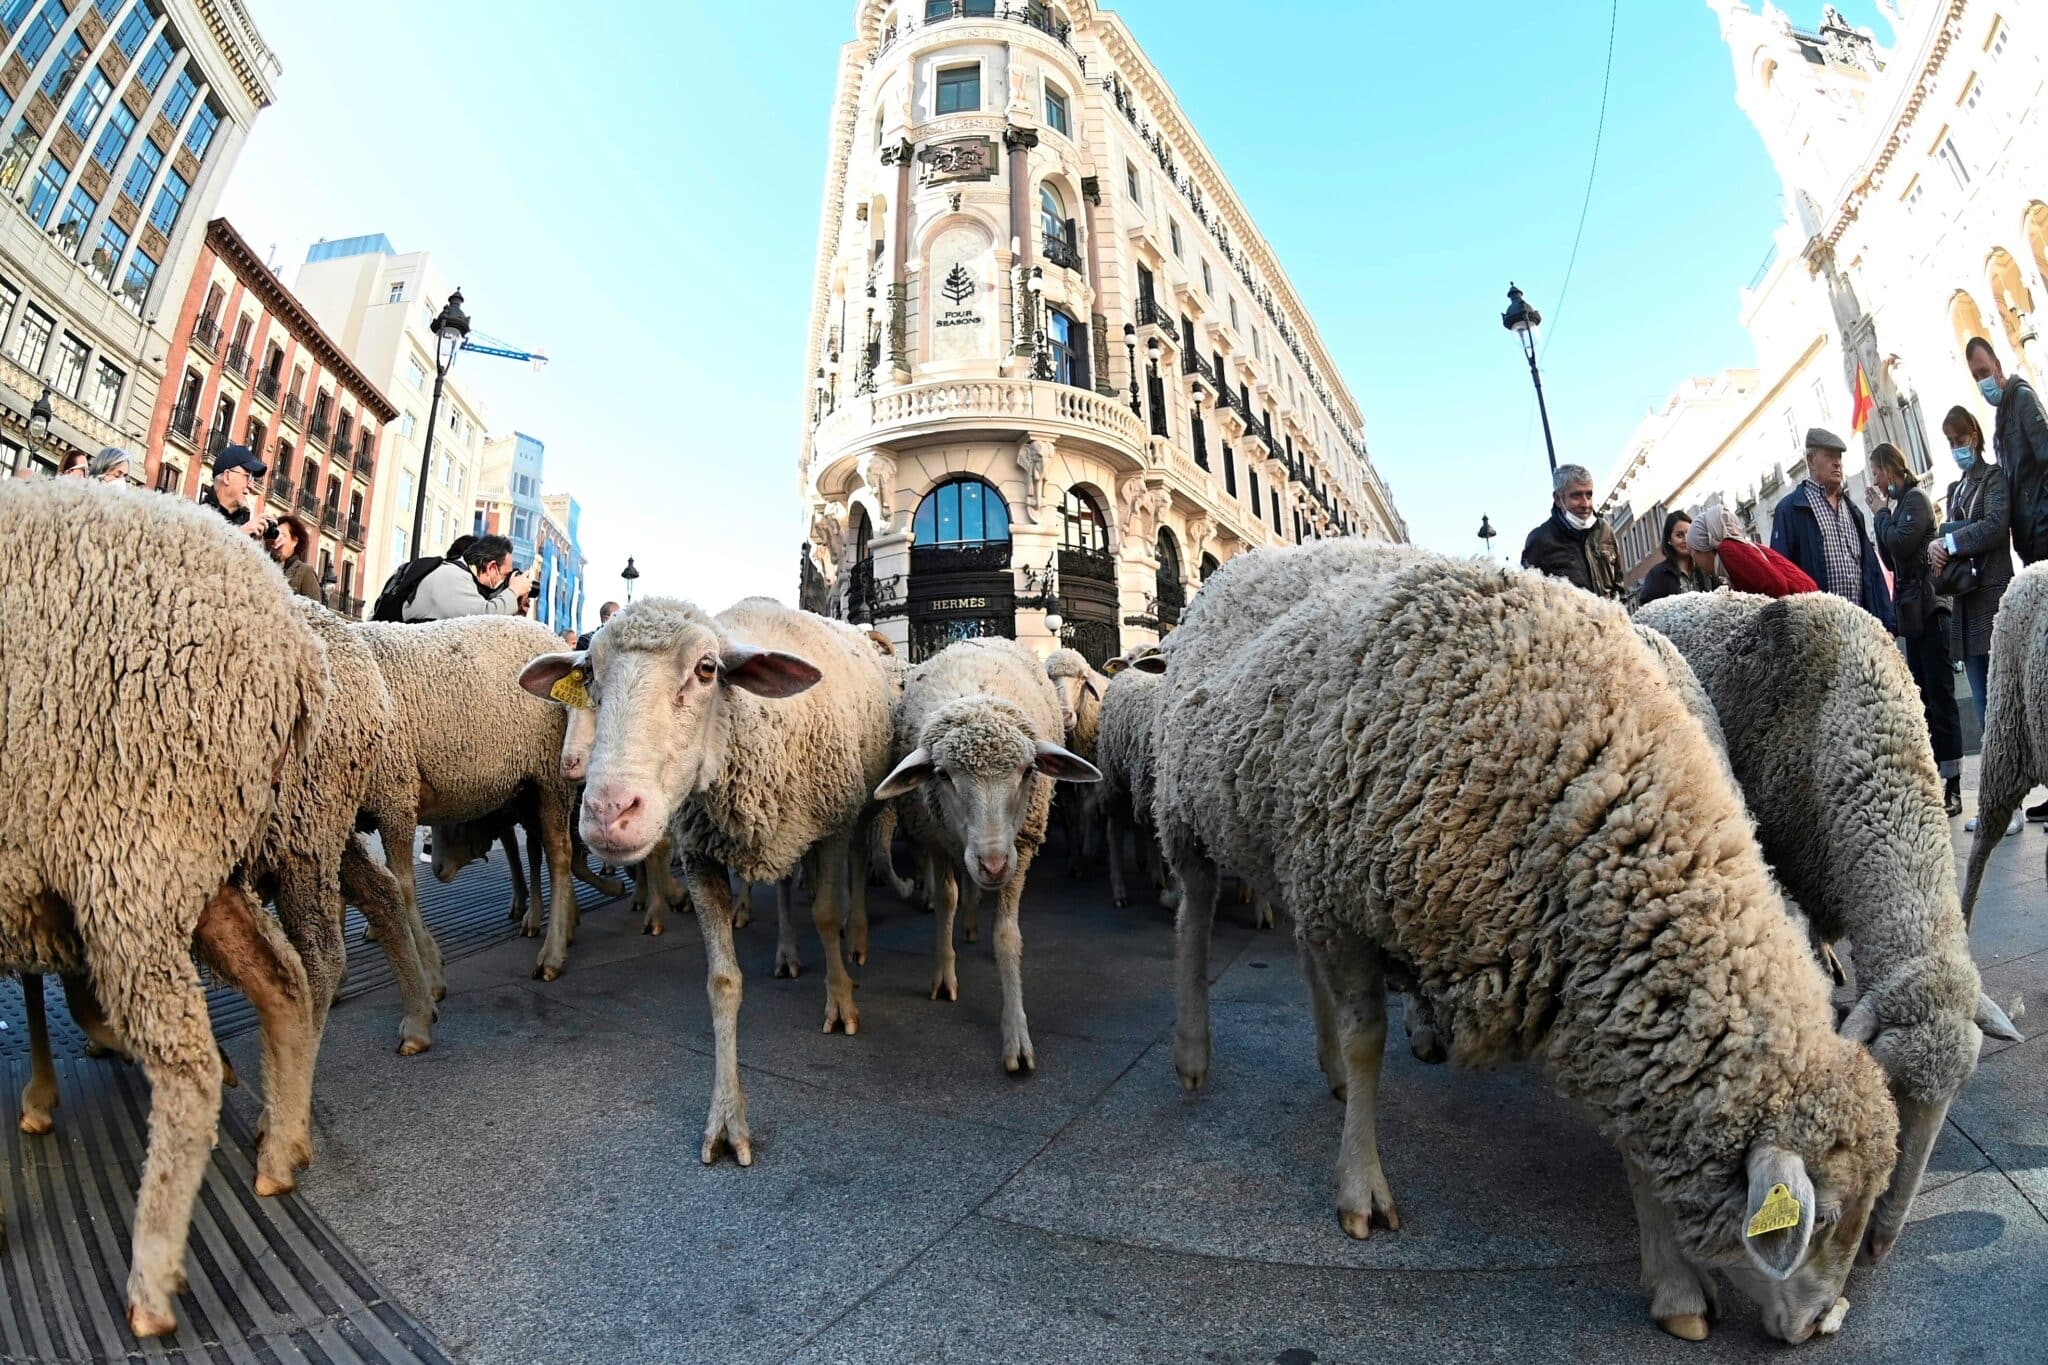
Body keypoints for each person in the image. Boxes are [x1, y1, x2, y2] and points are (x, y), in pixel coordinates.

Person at [1931, 404, 2023, 832]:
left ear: (1975, 435)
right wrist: (1937, 544)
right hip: (1965, 606)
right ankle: (1996, 805)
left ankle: (2010, 807)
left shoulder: (1993, 478)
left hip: (1992, 599)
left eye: (1960, 438)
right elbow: (1948, 531)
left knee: (2001, 708)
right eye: (1950, 442)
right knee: (1986, 713)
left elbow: (1993, 526)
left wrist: (1947, 541)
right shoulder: (1954, 488)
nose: (1956, 448)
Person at [1868, 443, 1964, 815]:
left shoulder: (1916, 500)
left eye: (1876, 472)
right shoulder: (1898, 507)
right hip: (1914, 616)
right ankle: (1938, 778)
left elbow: (1900, 543)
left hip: (1931, 611)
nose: (1875, 481)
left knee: (1941, 698)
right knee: (1924, 699)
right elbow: (1890, 553)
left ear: (1890, 468)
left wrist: (1879, 514)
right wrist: (1883, 517)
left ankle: (1954, 783)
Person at [1770, 427, 1894, 632]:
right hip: (1819, 634)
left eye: (1839, 457)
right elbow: (1781, 576)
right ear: (1810, 460)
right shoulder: (1790, 510)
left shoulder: (1853, 511)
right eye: (1829, 456)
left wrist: (1886, 624)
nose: (1837, 463)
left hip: (1859, 629)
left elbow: (1871, 573)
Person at [1965, 336, 2048, 565]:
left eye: (1984, 372)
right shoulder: (2002, 418)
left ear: (1997, 367)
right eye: (1976, 377)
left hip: (2042, 540)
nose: (1982, 381)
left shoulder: (2023, 400)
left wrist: (2042, 530)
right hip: (2029, 546)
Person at [1521, 463, 1623, 598]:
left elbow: (1619, 585)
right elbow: (1530, 596)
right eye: (1576, 496)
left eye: (1589, 495)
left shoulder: (1605, 531)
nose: (1585, 504)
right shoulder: (1540, 540)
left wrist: (1620, 614)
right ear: (1558, 499)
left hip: (1610, 618)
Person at [1685, 505, 1816, 597]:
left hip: (1803, 607)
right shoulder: (1738, 546)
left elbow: (1777, 586)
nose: (1695, 562)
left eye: (1693, 553)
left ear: (1704, 548)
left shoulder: (1728, 549)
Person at [403, 532, 529, 621]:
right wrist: (514, 590)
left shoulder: (458, 574)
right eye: (505, 575)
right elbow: (485, 619)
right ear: (491, 567)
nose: (505, 581)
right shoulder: (453, 576)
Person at [1637, 510, 1718, 605]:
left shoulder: (1706, 566)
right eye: (1679, 535)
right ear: (1669, 540)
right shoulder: (1657, 574)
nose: (1686, 539)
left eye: (1689, 533)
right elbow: (1647, 608)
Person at [200, 444, 270, 542]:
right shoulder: (196, 518)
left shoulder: (246, 526)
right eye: (247, 477)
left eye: (253, 479)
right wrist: (239, 535)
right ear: (227, 476)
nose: (251, 486)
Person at [267, 513, 325, 605]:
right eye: (276, 534)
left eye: (283, 535)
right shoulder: (266, 567)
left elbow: (315, 611)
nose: (277, 539)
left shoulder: (305, 571)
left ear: (294, 541)